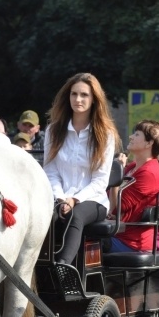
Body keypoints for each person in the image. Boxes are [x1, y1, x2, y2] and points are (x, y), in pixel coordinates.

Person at [43, 72, 119, 265]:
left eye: (84, 95)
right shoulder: (54, 130)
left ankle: (63, 267)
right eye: (74, 94)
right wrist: (61, 198)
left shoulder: (105, 134)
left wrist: (74, 199)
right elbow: (50, 171)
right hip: (59, 196)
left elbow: (100, 181)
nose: (78, 99)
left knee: (75, 216)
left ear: (94, 99)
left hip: (93, 200)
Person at [111, 120, 159, 252]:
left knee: (83, 241)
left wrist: (116, 174)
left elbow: (116, 208)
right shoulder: (132, 167)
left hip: (130, 242)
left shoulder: (149, 172)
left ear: (149, 143)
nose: (131, 137)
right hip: (119, 232)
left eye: (137, 135)